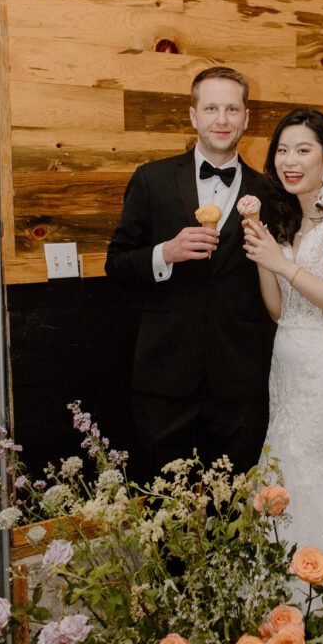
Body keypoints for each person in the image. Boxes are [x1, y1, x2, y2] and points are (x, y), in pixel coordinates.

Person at [105, 66, 274, 478]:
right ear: (193, 115)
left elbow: (292, 272)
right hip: (164, 377)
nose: (222, 119)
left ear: (246, 118)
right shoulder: (152, 179)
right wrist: (166, 252)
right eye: (211, 108)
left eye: (232, 109)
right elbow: (117, 264)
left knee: (234, 510)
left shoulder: (269, 191)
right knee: (162, 510)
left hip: (241, 378)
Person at [243, 108, 323, 547]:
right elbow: (281, 311)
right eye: (281, 150)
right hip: (287, 375)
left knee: (320, 478)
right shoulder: (290, 221)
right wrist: (264, 256)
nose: (290, 161)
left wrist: (281, 262)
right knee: (284, 472)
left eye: (303, 149)